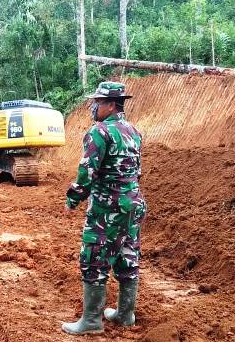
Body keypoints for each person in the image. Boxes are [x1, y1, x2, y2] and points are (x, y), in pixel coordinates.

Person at [61, 81, 147, 335]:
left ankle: (91, 321)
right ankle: (125, 314)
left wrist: (73, 199)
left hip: (106, 207)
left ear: (111, 105)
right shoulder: (134, 131)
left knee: (94, 257)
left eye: (98, 102)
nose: (93, 107)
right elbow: (136, 172)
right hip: (133, 203)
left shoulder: (100, 132)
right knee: (127, 254)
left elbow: (87, 171)